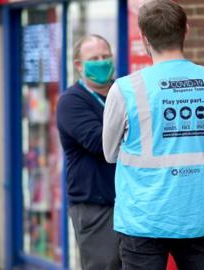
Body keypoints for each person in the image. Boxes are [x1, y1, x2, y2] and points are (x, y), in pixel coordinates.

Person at [102, 1, 204, 269]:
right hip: (198, 214)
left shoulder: (126, 89)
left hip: (143, 219)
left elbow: (110, 153)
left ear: (144, 37)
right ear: (186, 29)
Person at [56, 34, 121, 270]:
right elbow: (99, 142)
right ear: (78, 65)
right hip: (95, 206)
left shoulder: (122, 91)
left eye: (106, 56)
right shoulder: (71, 102)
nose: (102, 62)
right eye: (94, 58)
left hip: (129, 202)